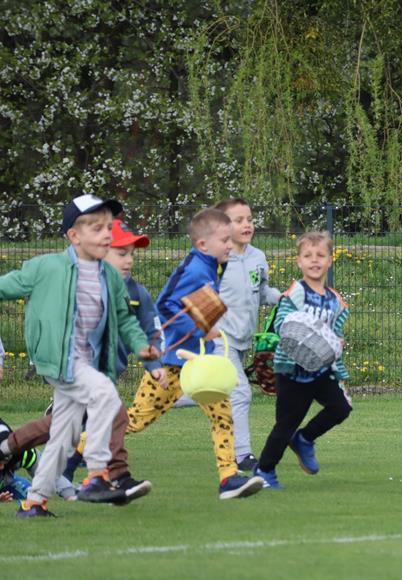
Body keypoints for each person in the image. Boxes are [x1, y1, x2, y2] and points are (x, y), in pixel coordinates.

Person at [0, 194, 159, 517]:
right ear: (74, 235)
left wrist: (142, 346)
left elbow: (125, 319)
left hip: (88, 363)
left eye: (108, 228)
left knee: (64, 433)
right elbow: (8, 285)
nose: (106, 235)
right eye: (96, 228)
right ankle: (97, 475)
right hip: (59, 360)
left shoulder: (109, 276)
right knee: (105, 395)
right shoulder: (47, 267)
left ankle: (34, 501)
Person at [125, 207, 264, 500]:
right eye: (224, 240)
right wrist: (201, 328)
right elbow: (165, 304)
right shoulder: (195, 269)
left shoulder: (213, 265)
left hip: (200, 360)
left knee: (223, 414)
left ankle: (229, 478)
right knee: (135, 421)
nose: (229, 245)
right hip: (174, 361)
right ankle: (77, 451)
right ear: (203, 244)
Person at [60, 217, 162, 501]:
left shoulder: (137, 293)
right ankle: (119, 476)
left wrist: (154, 365)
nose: (128, 260)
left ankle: (17, 449)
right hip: (79, 371)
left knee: (66, 426)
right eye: (121, 253)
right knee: (115, 416)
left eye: (131, 254)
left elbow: (150, 331)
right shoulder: (82, 285)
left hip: (107, 374)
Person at [253, 231, 352, 489]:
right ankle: (264, 471)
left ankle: (305, 439)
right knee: (286, 424)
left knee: (341, 408)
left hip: (320, 370)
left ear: (330, 260)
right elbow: (281, 322)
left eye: (320, 255)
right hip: (292, 370)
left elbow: (336, 336)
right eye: (308, 255)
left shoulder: (335, 301)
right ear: (299, 261)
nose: (314, 260)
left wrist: (337, 346)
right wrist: (303, 333)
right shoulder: (295, 293)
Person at [211, 197, 281, 472]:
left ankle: (167, 395)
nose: (246, 224)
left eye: (249, 219)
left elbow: (261, 292)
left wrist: (283, 297)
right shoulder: (215, 259)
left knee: (215, 392)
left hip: (241, 340)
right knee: (240, 393)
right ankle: (242, 455)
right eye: (238, 220)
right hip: (219, 338)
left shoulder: (257, 257)